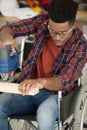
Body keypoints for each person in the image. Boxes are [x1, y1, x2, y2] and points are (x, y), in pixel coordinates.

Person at [0, 0, 87, 129]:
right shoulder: (42, 21)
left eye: (63, 32)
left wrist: (40, 82)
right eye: (52, 30)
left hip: (57, 96)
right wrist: (7, 37)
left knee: (45, 114)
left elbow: (64, 80)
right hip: (29, 91)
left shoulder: (81, 46)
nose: (57, 37)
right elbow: (9, 28)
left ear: (74, 25)